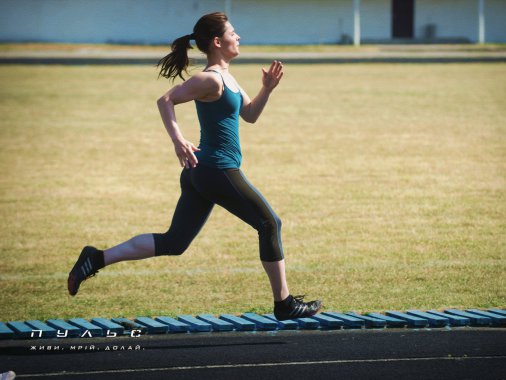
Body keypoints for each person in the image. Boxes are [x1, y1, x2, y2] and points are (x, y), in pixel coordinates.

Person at [67, 12, 322, 321]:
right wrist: (178, 140)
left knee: (174, 242)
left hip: (202, 171)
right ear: (217, 42)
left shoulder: (228, 78)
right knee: (270, 224)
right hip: (216, 168)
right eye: (233, 33)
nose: (238, 37)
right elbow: (165, 100)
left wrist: (267, 88)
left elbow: (250, 114)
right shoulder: (209, 78)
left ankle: (96, 258)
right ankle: (284, 303)